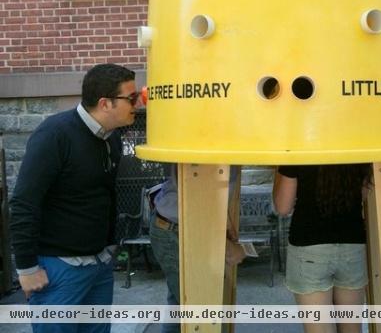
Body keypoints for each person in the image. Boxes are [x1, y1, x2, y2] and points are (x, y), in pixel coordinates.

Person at [9, 63, 139, 333]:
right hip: (60, 271)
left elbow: (104, 194)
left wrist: (110, 246)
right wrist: (26, 268)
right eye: (132, 98)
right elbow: (23, 203)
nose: (136, 104)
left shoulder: (110, 138)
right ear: (105, 103)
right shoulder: (55, 135)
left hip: (100, 265)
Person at [273, 164, 372, 333]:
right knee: (352, 329)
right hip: (352, 242)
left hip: (309, 246)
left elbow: (283, 206)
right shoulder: (357, 141)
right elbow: (363, 193)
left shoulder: (296, 147)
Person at [149, 164, 246, 333]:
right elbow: (196, 198)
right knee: (201, 314)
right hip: (176, 230)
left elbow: (214, 193)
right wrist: (227, 247)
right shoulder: (207, 141)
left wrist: (226, 223)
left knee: (180, 306)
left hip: (181, 227)